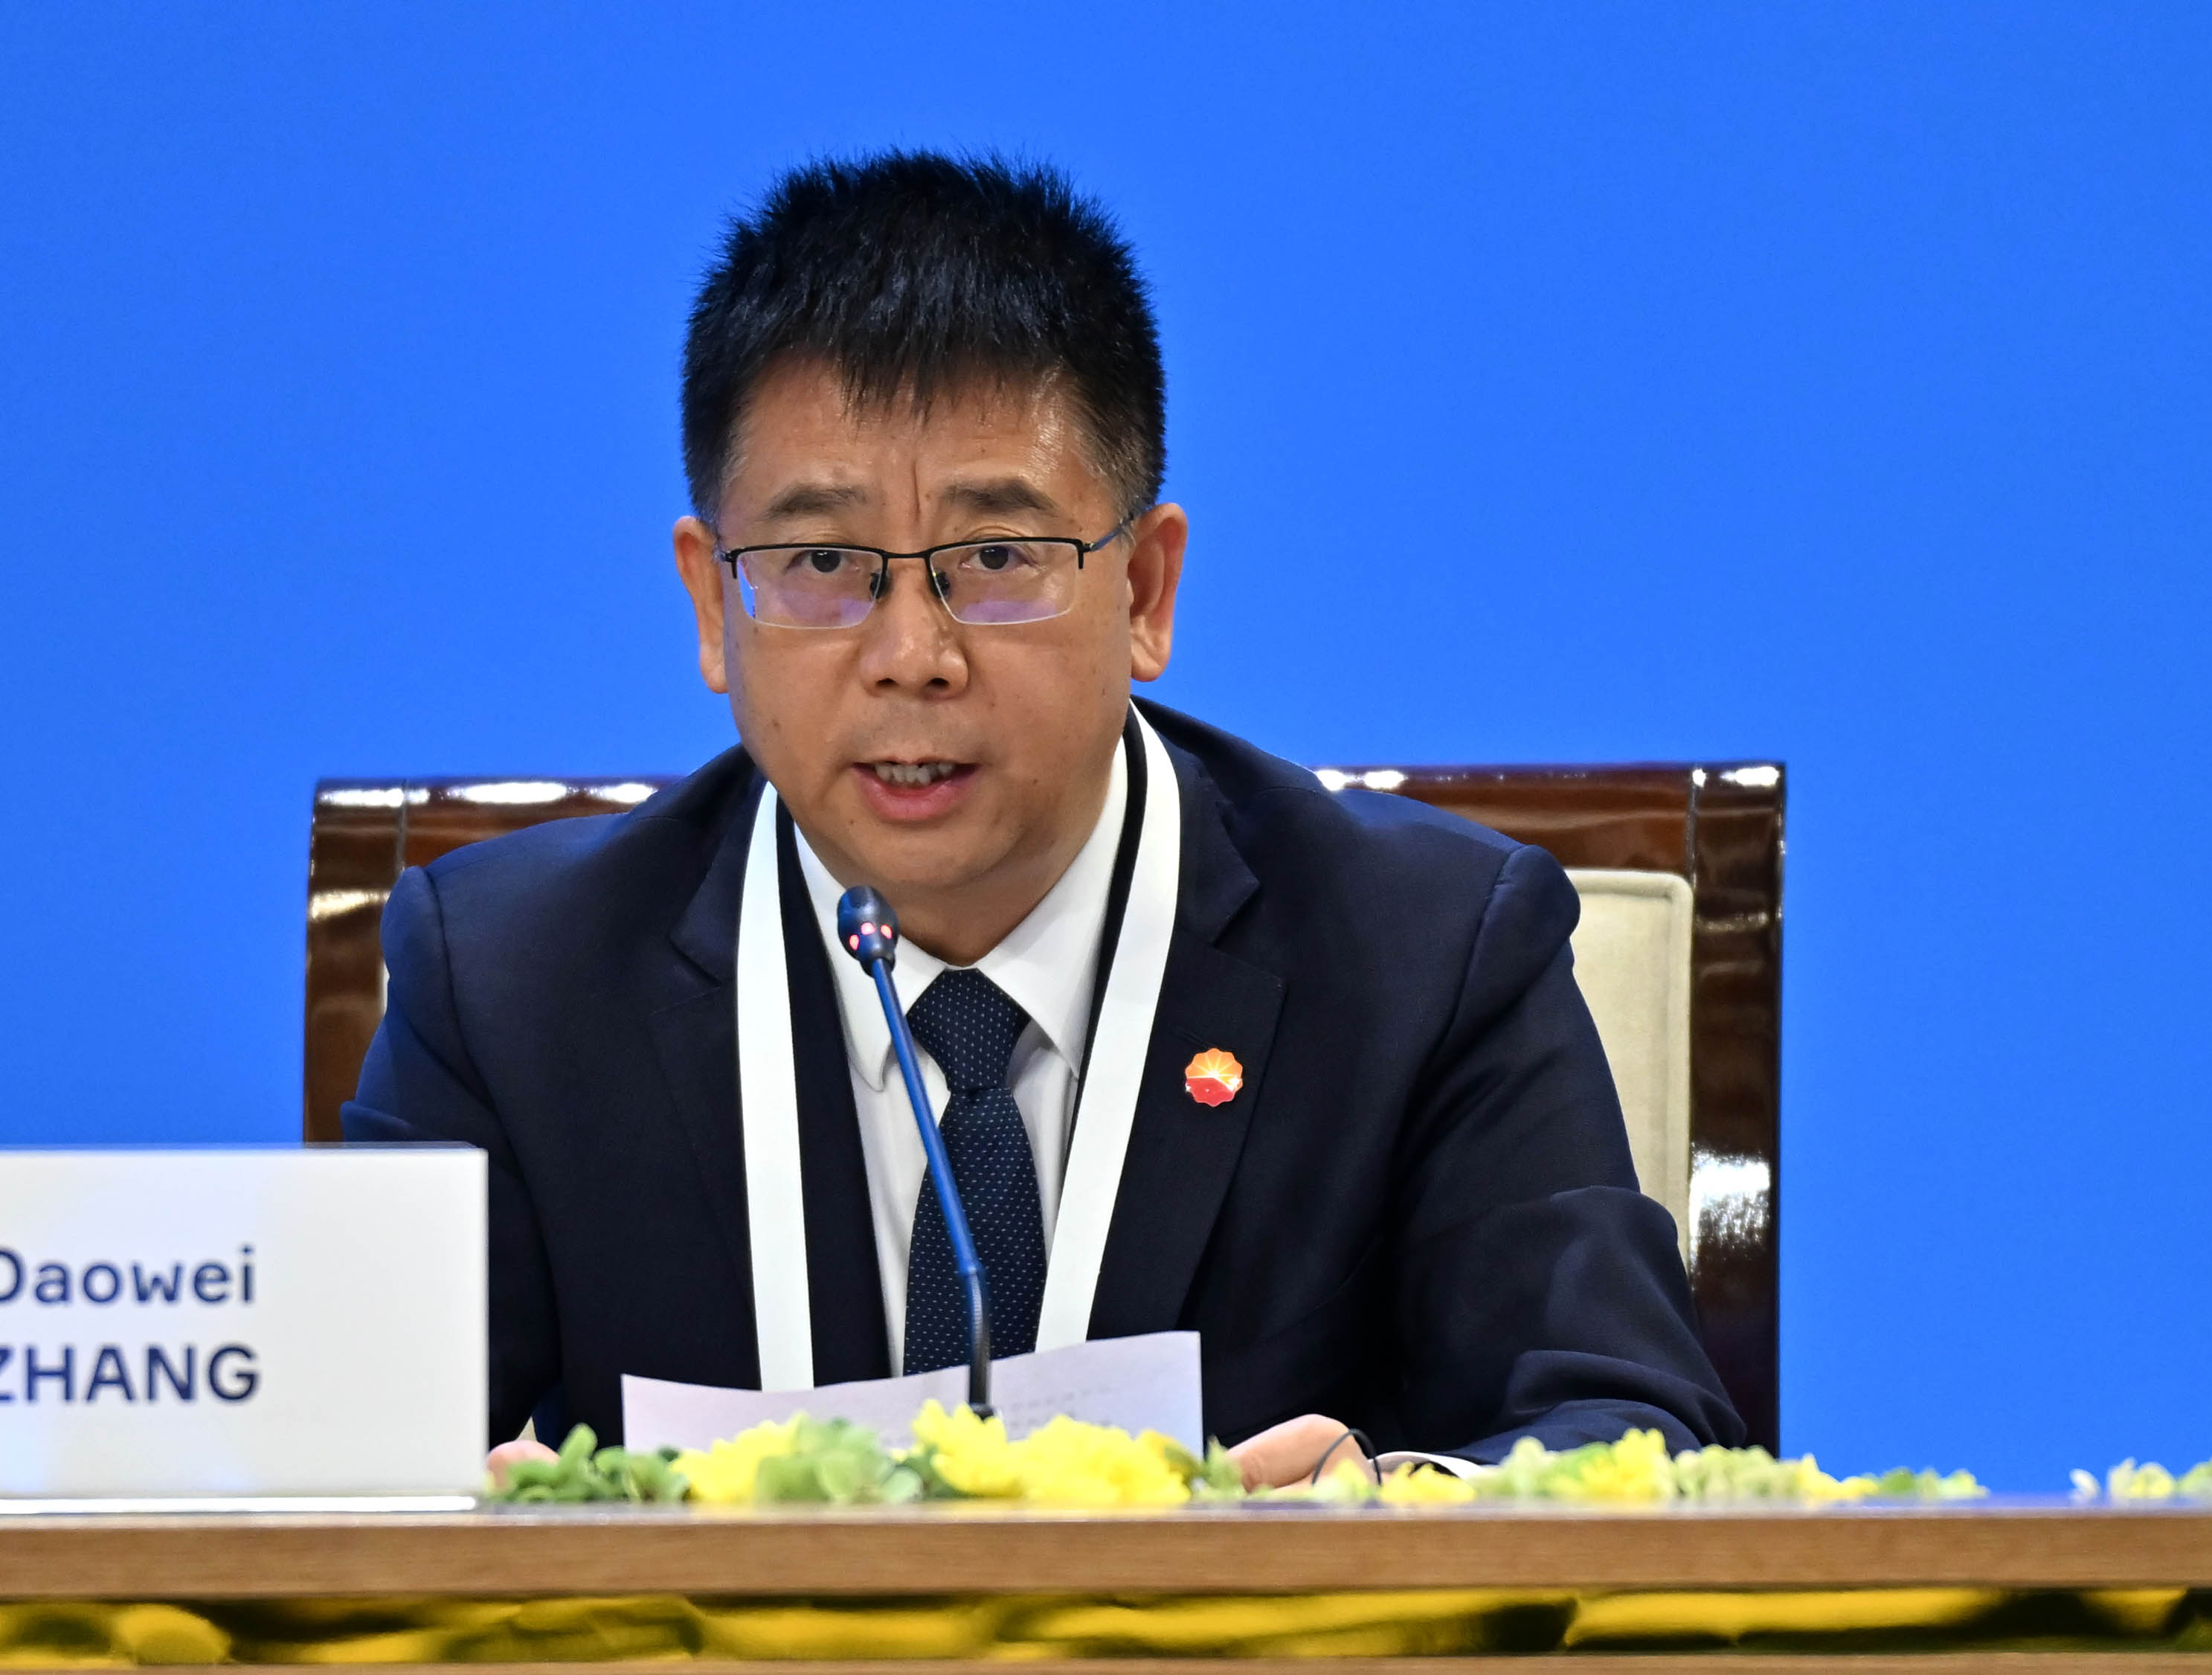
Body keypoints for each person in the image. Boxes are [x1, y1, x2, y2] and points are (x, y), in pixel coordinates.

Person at [344, 152, 1745, 1487]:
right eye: (821, 560)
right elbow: (334, 1474)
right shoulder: (516, 982)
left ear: (1144, 591)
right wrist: (470, 1514)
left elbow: (1630, 1431)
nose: (911, 654)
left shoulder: (1422, 956)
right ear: (714, 605)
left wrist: (1380, 1509)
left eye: (996, 556)